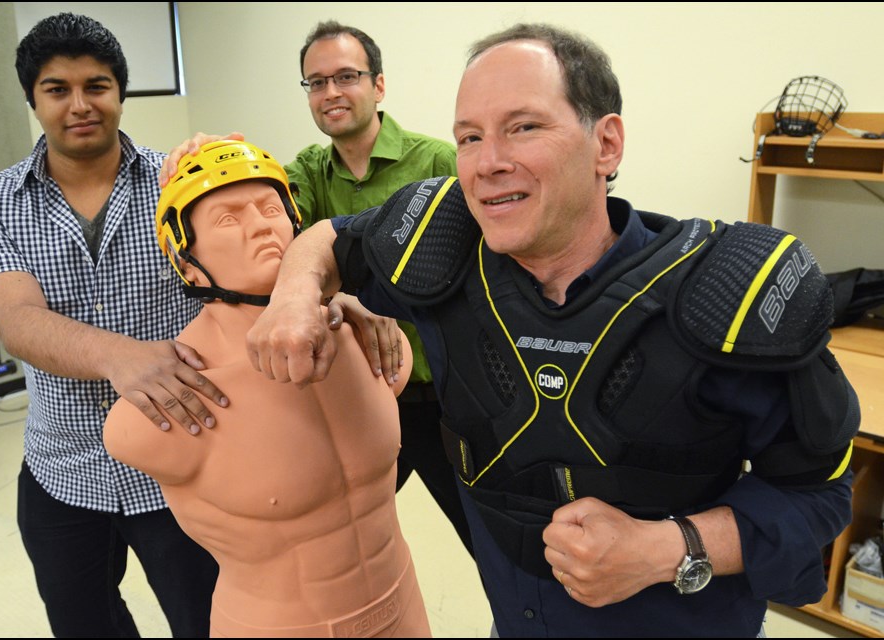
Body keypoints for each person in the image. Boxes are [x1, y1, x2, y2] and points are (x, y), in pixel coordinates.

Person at [243, 23, 860, 637]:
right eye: (469, 137)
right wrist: (295, 296)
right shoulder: (442, 252)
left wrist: (667, 548)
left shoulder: (721, 296)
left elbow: (819, 498)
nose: (488, 163)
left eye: (524, 127)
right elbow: (329, 239)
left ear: (606, 144)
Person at [0, 12, 393, 638]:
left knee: (207, 622)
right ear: (33, 98)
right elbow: (16, 319)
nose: (80, 105)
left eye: (97, 86)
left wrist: (321, 299)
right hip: (62, 466)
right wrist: (121, 357)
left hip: (195, 458)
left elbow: (267, 261)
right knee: (83, 623)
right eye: (58, 89)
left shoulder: (181, 182)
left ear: (120, 93)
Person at [162, 20, 476, 561]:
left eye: (346, 77)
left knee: (492, 546)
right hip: (361, 394)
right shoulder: (307, 171)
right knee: (338, 543)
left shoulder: (438, 163)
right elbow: (271, 241)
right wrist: (205, 158)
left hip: (449, 395)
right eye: (316, 82)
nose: (330, 92)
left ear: (378, 85)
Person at [104, 140, 430, 638]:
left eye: (271, 209)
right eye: (229, 219)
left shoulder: (372, 343)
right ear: (186, 262)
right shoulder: (155, 414)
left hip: (402, 606)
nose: (261, 225)